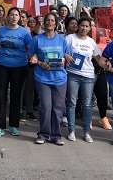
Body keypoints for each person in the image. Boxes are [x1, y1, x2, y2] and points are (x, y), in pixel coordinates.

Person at [28, 13, 71, 145]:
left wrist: (64, 60)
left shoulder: (62, 40)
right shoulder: (37, 39)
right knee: (46, 106)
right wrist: (39, 63)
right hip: (43, 78)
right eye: (48, 20)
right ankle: (43, 134)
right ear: (44, 23)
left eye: (52, 20)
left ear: (56, 23)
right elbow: (30, 57)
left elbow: (67, 56)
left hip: (60, 78)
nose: (50, 22)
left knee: (58, 107)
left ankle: (56, 135)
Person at [0, 7, 33, 138]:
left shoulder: (25, 32)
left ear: (20, 17)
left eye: (17, 15)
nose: (14, 17)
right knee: (1, 95)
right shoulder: (1, 30)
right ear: (8, 17)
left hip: (20, 67)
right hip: (2, 66)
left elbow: (31, 48)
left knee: (16, 96)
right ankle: (0, 126)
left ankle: (14, 125)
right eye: (12, 14)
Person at [65, 17, 101, 143]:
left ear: (90, 28)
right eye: (82, 25)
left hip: (88, 76)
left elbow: (98, 58)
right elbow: (61, 51)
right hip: (72, 74)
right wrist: (66, 55)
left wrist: (108, 64)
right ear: (78, 26)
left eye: (87, 26)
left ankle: (86, 132)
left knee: (87, 104)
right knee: (71, 102)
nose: (84, 28)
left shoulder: (91, 42)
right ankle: (71, 130)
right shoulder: (70, 38)